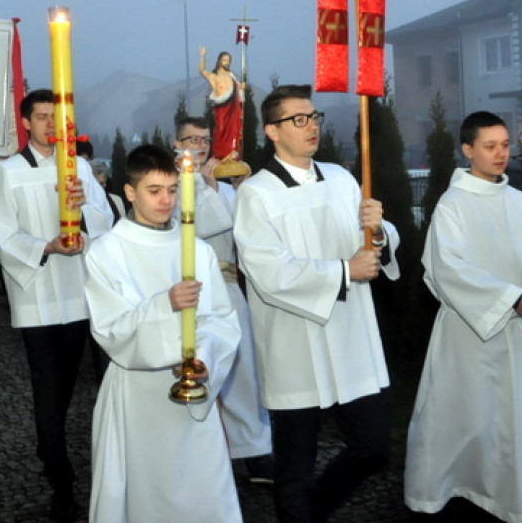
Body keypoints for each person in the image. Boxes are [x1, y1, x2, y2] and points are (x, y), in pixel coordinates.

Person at [233, 84, 400, 523]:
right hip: (295, 347)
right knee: (294, 471)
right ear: (272, 130)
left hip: (348, 338)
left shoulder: (343, 178)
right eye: (298, 119)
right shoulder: (256, 193)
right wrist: (345, 272)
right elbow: (268, 273)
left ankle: (316, 510)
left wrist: (378, 232)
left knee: (373, 447)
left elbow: (373, 244)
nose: (311, 127)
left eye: (314, 117)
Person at [404, 111, 522, 523]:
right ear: (468, 150)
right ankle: (446, 493)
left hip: (515, 339)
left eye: (505, 145)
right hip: (467, 339)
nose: (501, 154)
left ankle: (516, 502)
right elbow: (448, 268)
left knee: (510, 427)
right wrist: (511, 298)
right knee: (462, 421)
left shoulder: (520, 201)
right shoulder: (452, 204)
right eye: (490, 146)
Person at [84, 144, 242, 521]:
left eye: (172, 190)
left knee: (202, 493)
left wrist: (203, 358)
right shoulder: (106, 252)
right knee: (143, 496)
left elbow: (222, 320)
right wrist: (164, 304)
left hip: (193, 402)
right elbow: (110, 329)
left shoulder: (198, 251)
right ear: (130, 192)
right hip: (137, 397)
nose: (166, 200)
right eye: (154, 191)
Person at [0, 89, 113, 522]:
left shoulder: (76, 166)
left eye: (55, 118)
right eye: (41, 117)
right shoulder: (7, 172)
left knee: (66, 387)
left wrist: (84, 211)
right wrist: (47, 245)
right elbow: (1, 234)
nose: (50, 125)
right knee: (47, 390)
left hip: (76, 296)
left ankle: (51, 446)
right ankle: (61, 481)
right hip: (37, 294)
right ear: (25, 122)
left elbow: (105, 220)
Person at [173, 116, 274, 484]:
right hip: (188, 293)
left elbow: (243, 230)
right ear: (176, 144)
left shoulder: (226, 187)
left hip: (228, 287)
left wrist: (237, 190)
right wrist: (204, 188)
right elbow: (193, 228)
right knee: (198, 369)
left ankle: (254, 452)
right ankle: (200, 457)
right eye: (189, 139)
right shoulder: (169, 186)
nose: (197, 146)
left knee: (243, 372)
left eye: (203, 139)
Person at [199, 46, 243, 163]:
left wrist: (242, 86)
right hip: (221, 109)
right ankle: (219, 157)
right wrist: (203, 56)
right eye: (224, 60)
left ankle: (232, 157)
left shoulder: (231, 76)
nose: (227, 62)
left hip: (233, 109)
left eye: (228, 60)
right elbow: (202, 71)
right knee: (220, 131)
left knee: (234, 132)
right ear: (219, 61)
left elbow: (239, 88)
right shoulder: (214, 76)